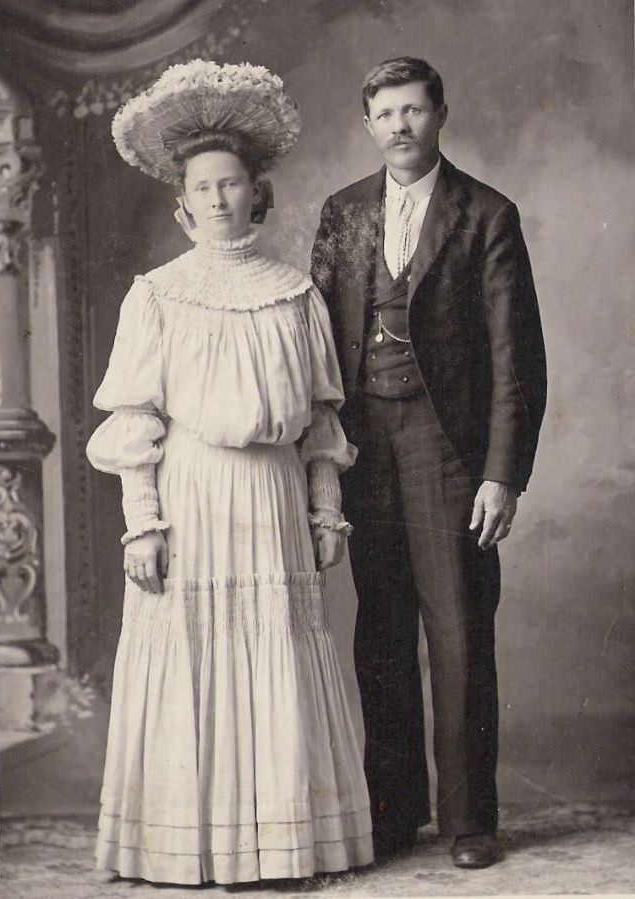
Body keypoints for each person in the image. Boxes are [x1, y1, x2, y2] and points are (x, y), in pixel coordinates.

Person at [86, 59, 373, 886]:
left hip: (273, 493)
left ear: (258, 193)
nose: (218, 199)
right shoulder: (158, 294)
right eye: (202, 188)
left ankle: (283, 845)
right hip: (193, 490)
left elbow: (321, 421)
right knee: (194, 651)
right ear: (181, 206)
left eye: (231, 184)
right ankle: (189, 845)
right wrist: (142, 522)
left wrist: (326, 512)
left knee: (277, 650)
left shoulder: (294, 296)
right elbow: (134, 419)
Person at [311, 56, 547, 868]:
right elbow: (315, 348)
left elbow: (518, 357)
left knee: (458, 631)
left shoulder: (486, 214)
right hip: (363, 448)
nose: (400, 126)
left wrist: (501, 472)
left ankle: (470, 818)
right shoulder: (342, 214)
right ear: (369, 124)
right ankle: (393, 809)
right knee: (379, 631)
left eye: (415, 110)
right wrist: (319, 454)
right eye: (386, 113)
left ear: (441, 115)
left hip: (449, 451)